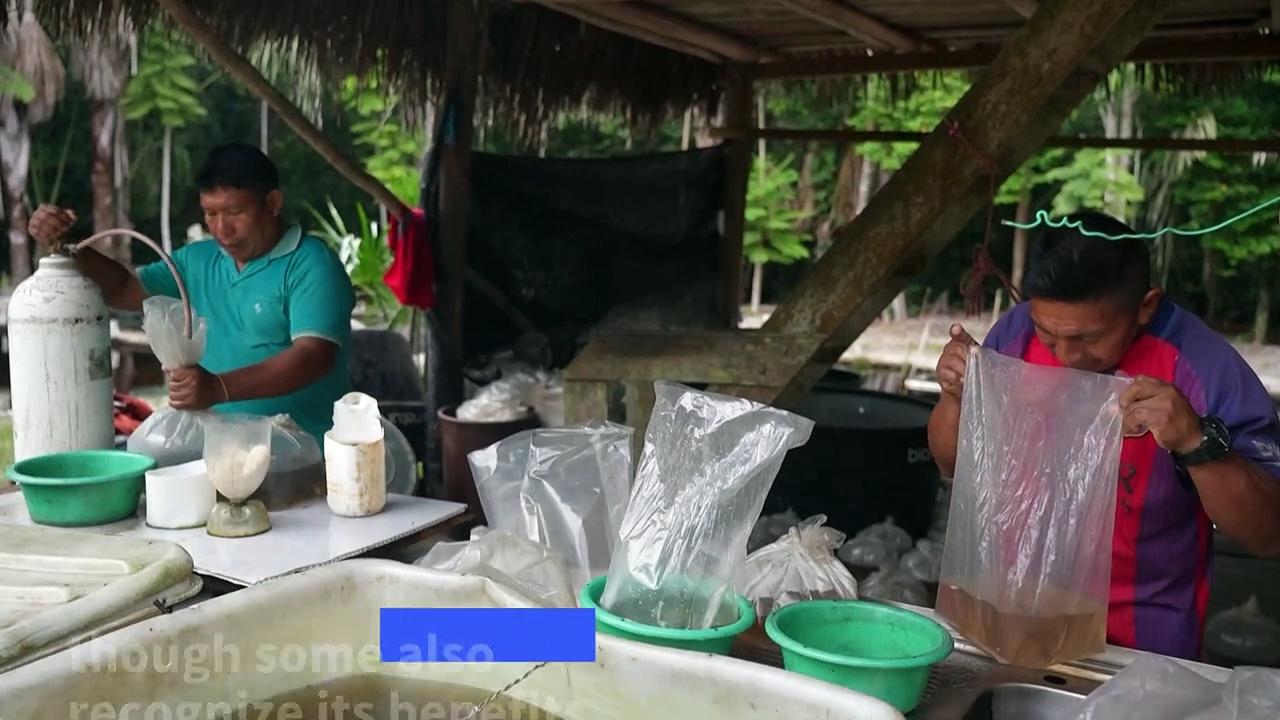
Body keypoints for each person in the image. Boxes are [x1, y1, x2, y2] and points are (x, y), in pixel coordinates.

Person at [927, 210, 1280, 661]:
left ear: (1146, 306)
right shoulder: (1014, 337)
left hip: (1138, 643)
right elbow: (952, 465)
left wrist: (1197, 443)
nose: (1067, 354)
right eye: (1048, 333)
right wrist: (955, 397)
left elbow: (1269, 535)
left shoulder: (1204, 369)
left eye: (1088, 337)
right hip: (1009, 611)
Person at [29, 142, 356, 444]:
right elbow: (124, 289)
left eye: (235, 213)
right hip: (220, 453)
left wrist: (219, 388)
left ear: (272, 203)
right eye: (211, 214)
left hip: (304, 454)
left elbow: (313, 356)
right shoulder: (196, 261)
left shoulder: (312, 264)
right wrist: (71, 246)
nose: (222, 229)